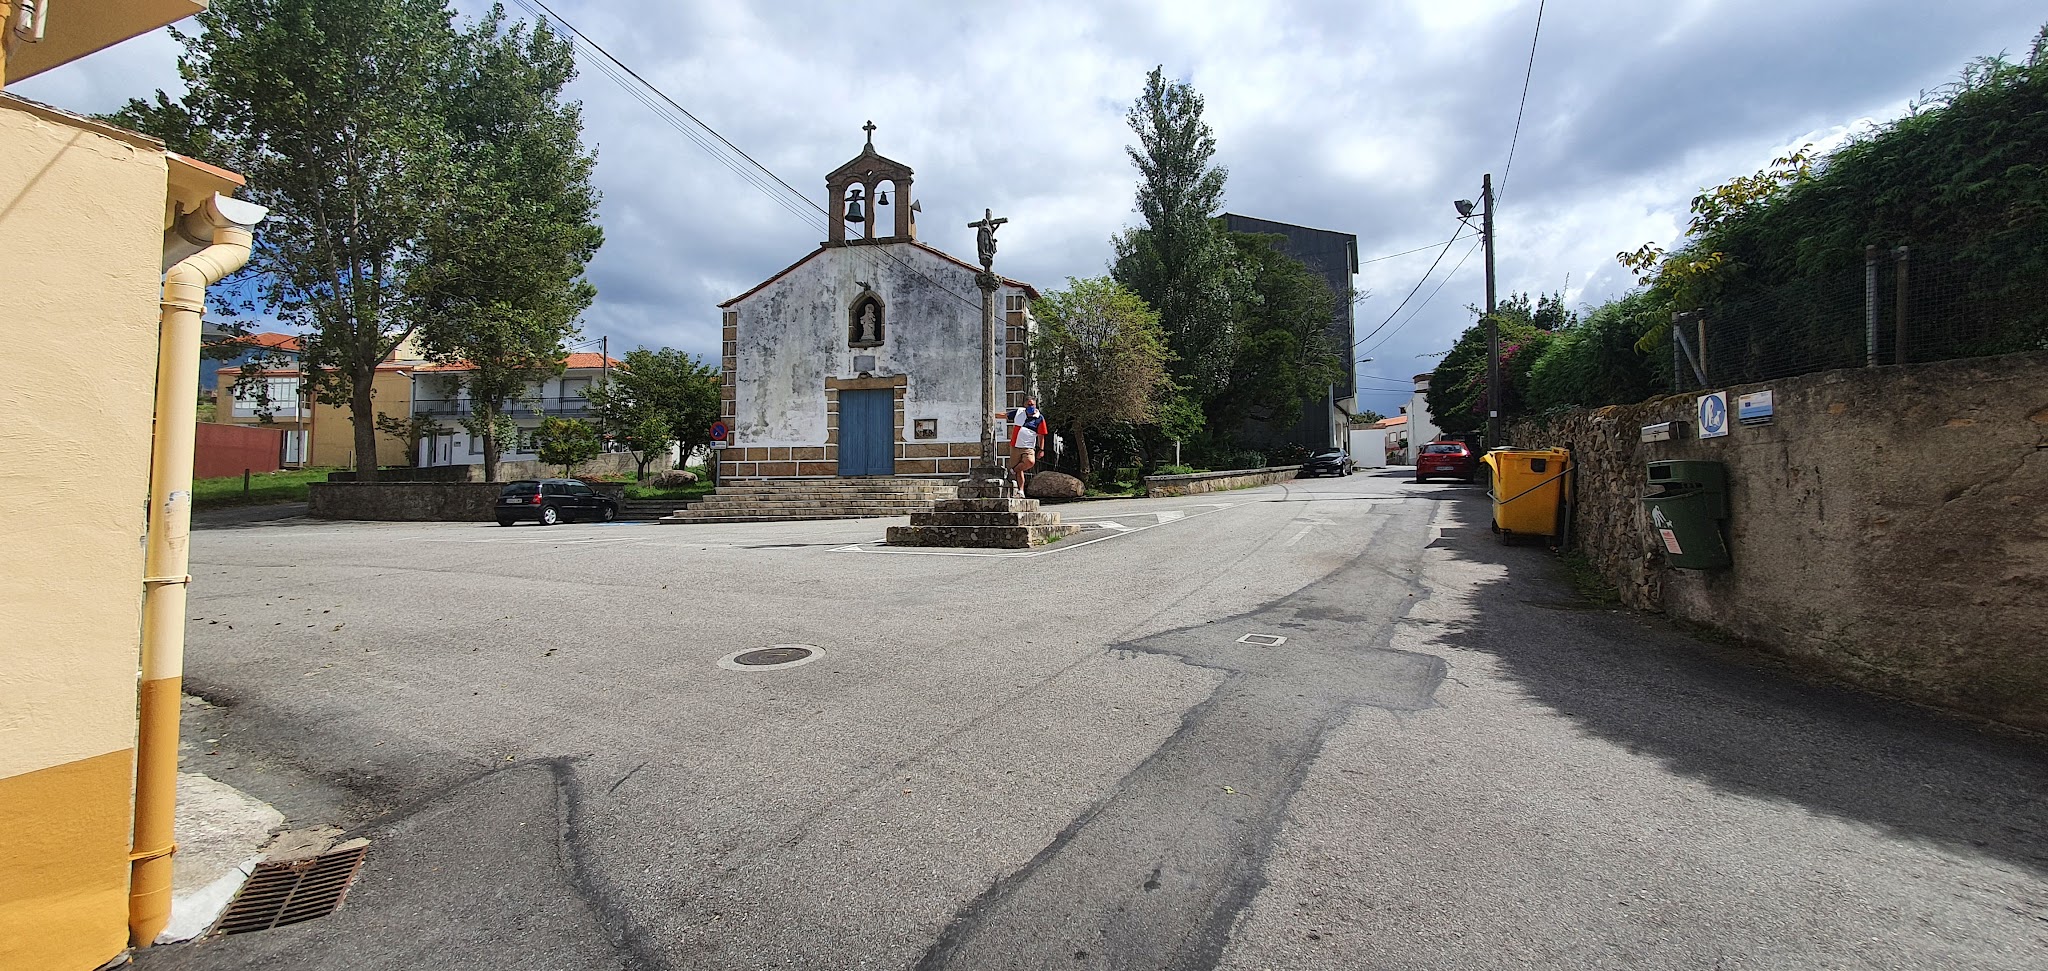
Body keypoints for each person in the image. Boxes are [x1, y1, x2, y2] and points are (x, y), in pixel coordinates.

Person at [999, 397, 1048, 492]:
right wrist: (991, 415)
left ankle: (1012, 471)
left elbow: (1041, 435)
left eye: (1032, 404)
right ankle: (1020, 490)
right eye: (1029, 405)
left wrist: (1041, 450)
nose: (1031, 406)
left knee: (1030, 462)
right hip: (1015, 446)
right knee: (1019, 469)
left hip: (1028, 447)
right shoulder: (1019, 412)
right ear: (1025, 405)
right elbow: (1005, 415)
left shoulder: (1039, 418)